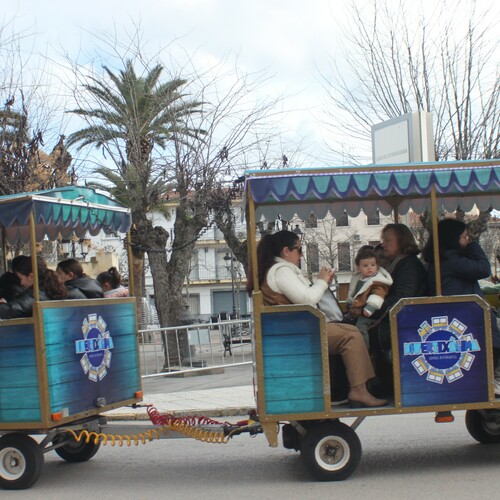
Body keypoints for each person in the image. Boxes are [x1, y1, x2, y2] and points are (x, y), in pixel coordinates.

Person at [246, 230, 387, 408]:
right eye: (298, 249)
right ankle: (359, 391)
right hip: (299, 333)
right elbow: (307, 298)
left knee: (349, 330)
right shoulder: (281, 271)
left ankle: (345, 388)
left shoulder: (277, 270)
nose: (301, 254)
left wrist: (322, 284)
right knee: (352, 335)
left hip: (294, 330)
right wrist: (322, 281)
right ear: (286, 251)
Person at [422, 218, 500, 395]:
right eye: (464, 237)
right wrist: (474, 246)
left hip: (462, 313)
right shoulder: (451, 259)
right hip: (465, 315)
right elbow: (483, 269)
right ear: (453, 239)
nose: (467, 241)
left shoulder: (441, 259)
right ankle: (494, 378)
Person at [346, 245, 393, 347]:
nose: (369, 268)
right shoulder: (359, 279)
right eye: (365, 265)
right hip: (358, 310)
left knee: (361, 326)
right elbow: (355, 295)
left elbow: (378, 294)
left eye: (372, 264)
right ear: (358, 268)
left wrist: (370, 307)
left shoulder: (377, 281)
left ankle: (364, 349)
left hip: (371, 311)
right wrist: (350, 303)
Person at [0, 255, 67, 319]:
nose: (21, 282)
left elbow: (12, 310)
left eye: (21, 279)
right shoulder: (51, 288)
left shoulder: (37, 295)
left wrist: (2, 305)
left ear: (31, 276)